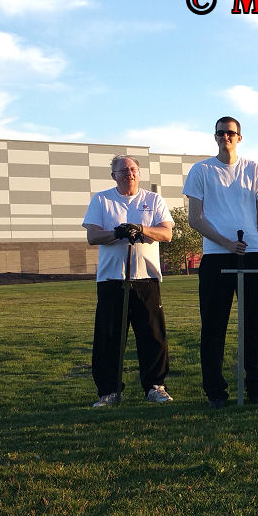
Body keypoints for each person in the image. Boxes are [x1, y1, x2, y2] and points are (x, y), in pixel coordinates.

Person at [184, 116, 258, 408]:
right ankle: (215, 391)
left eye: (231, 133)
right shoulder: (201, 171)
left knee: (256, 325)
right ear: (215, 136)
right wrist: (226, 242)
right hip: (216, 257)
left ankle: (256, 386)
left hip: (252, 255)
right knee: (213, 326)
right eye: (221, 133)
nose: (226, 137)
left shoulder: (253, 169)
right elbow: (195, 218)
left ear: (239, 137)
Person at [82, 154, 174, 407]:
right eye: (123, 171)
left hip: (146, 278)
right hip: (112, 278)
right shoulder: (102, 200)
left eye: (133, 169)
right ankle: (109, 391)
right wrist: (116, 233)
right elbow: (92, 236)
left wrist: (142, 229)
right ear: (114, 176)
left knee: (152, 335)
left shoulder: (153, 200)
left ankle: (155, 386)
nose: (129, 174)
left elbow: (166, 233)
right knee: (109, 336)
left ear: (139, 173)